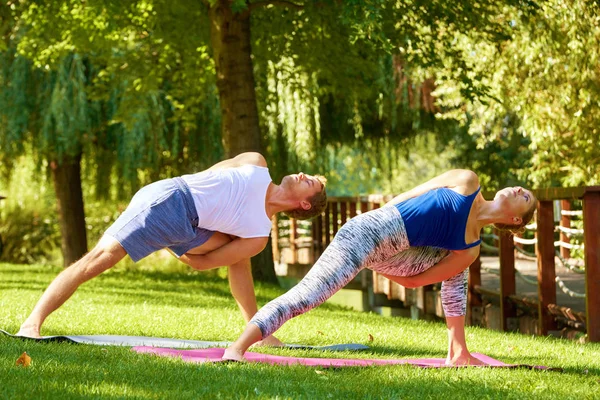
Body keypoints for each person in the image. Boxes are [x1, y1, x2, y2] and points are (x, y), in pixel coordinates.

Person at [222, 169, 537, 365]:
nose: (519, 189)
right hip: (366, 232)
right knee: (306, 297)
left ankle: (458, 351)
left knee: (463, 262)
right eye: (522, 187)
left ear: (515, 221)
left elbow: (415, 283)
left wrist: (375, 263)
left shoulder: (469, 247)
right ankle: (238, 347)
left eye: (525, 197)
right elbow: (405, 197)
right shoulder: (468, 180)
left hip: (394, 257)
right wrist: (367, 250)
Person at [17, 152, 328, 342]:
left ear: (303, 204)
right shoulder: (255, 162)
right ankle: (32, 324)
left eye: (309, 181)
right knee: (100, 259)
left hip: (188, 228)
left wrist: (173, 243)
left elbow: (207, 264)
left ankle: (258, 332)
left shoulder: (258, 235)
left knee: (237, 255)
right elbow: (204, 177)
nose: (302, 174)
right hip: (170, 200)